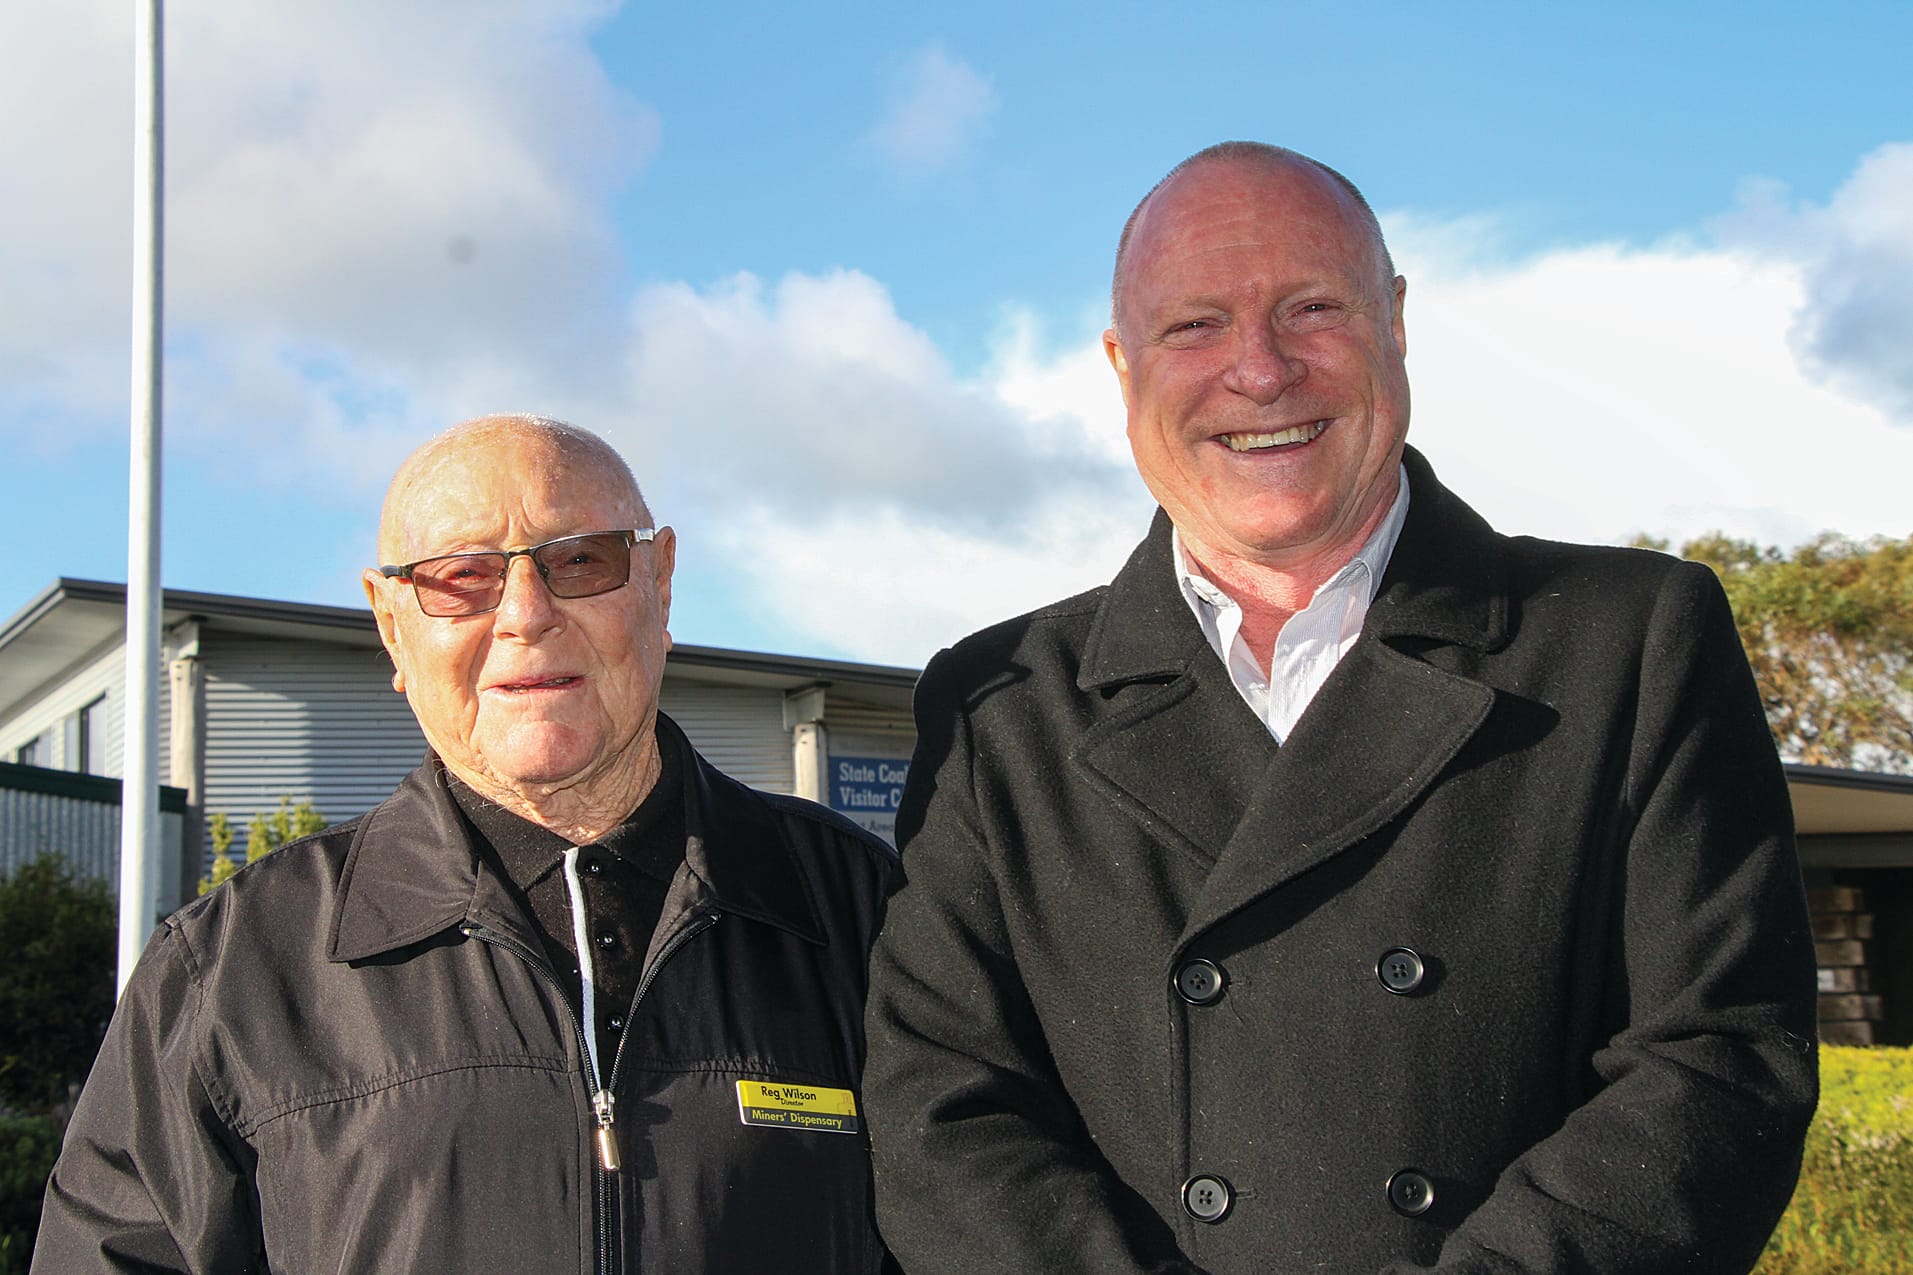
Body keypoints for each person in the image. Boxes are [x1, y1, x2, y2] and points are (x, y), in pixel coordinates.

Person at [862, 143, 1819, 1273]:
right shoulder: (997, 706)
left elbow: (1717, 1059)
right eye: (1195, 326)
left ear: (1394, 321)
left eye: (1311, 308)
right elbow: (942, 1111)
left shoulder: (1631, 639)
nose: (1259, 372)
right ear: (1123, 365)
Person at [35, 415, 899, 1274]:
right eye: (460, 577)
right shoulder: (233, 966)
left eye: (579, 560)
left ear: (660, 582)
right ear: (391, 623)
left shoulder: (864, 914)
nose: (526, 614)